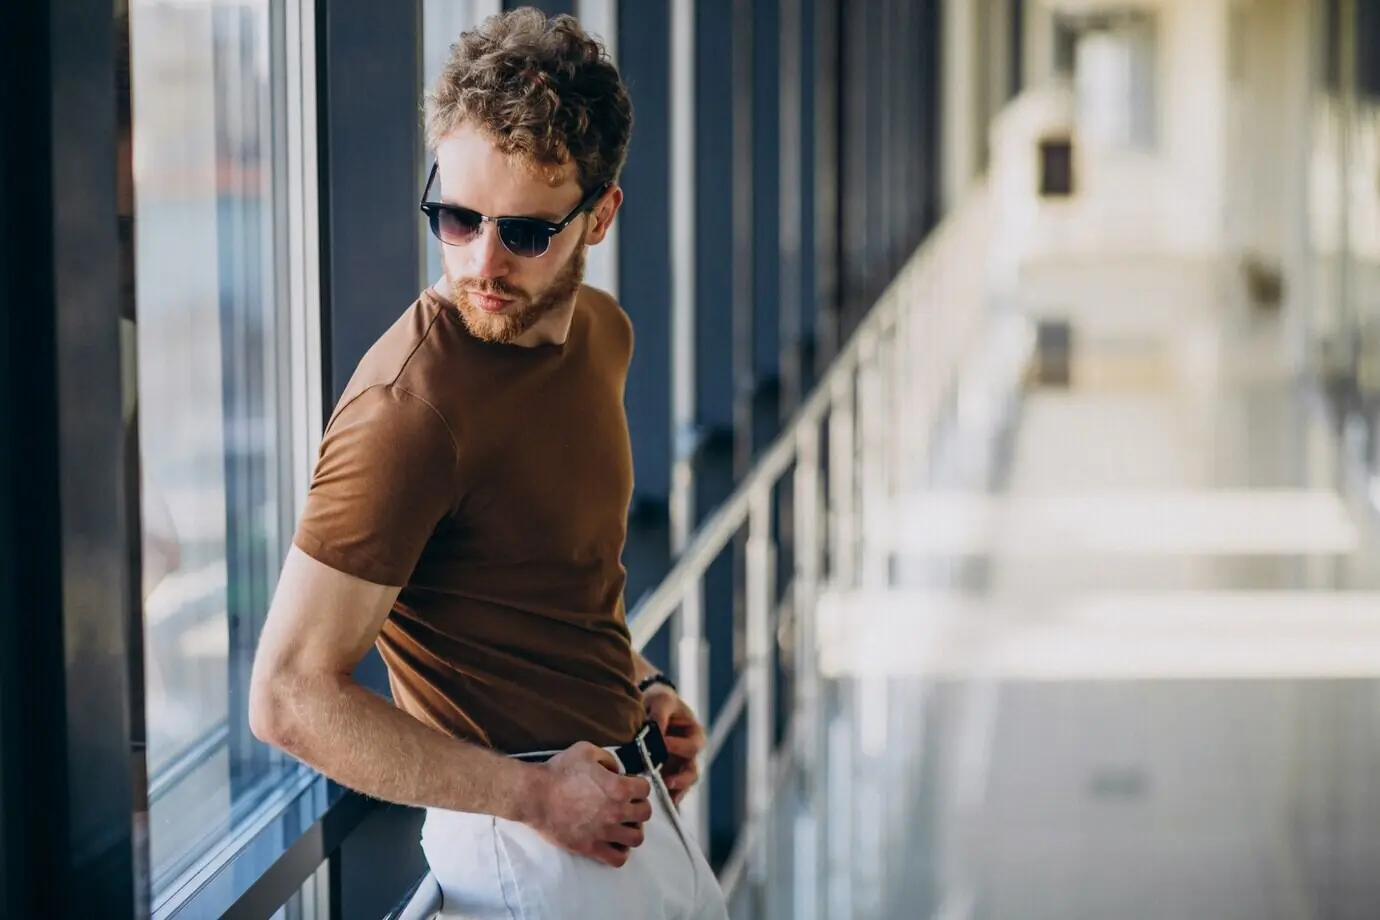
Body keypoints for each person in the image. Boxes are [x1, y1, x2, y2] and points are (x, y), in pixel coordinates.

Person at [248, 8, 729, 919]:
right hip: (528, 849)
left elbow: (557, 577)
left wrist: (641, 684)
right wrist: (535, 798)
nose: (482, 261)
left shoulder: (603, 337)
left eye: (525, 232)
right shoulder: (408, 411)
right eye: (456, 217)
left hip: (630, 807)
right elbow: (285, 695)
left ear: (600, 217)